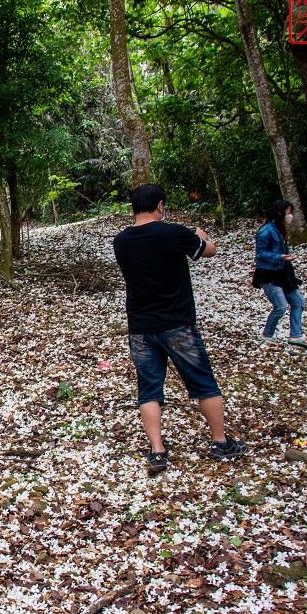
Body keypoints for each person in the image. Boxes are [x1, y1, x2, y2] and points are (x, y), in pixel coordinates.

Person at [112, 184, 247, 474]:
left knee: (149, 387)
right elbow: (207, 251)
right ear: (160, 205)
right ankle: (220, 442)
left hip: (140, 325)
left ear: (133, 207)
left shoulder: (121, 241)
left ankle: (157, 450)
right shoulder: (174, 233)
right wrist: (201, 235)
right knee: (203, 382)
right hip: (177, 323)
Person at [253, 200, 307, 348]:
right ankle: (266, 334)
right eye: (288, 212)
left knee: (298, 303)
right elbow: (260, 254)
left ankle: (296, 335)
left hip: (283, 273)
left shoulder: (279, 229)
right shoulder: (267, 231)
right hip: (269, 274)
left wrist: (285, 257)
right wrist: (279, 257)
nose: (290, 216)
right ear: (280, 212)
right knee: (280, 306)